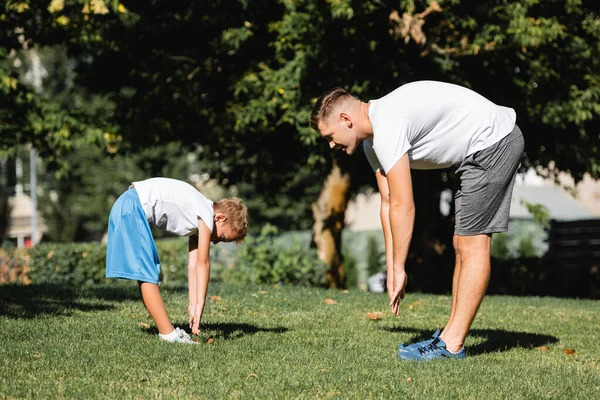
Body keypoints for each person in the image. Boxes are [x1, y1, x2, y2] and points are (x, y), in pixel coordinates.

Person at [310, 80, 524, 360]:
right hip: (479, 150)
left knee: (472, 245)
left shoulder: (387, 125)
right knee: (462, 244)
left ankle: (452, 344)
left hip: (494, 142)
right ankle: (449, 336)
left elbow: (404, 204)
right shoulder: (372, 141)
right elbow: (387, 203)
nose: (330, 144)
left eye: (329, 135)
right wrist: (391, 268)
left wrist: (400, 268)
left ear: (345, 119)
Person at [105, 177, 248, 344]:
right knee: (147, 274)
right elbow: (203, 263)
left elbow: (193, 265)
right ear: (220, 218)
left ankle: (167, 332)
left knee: (146, 272)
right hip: (132, 206)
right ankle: (168, 335)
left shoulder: (200, 213)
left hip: (127, 204)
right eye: (222, 237)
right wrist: (201, 304)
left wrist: (193, 305)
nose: (216, 241)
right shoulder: (206, 213)